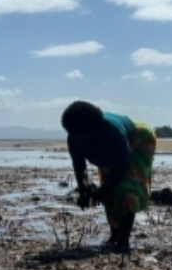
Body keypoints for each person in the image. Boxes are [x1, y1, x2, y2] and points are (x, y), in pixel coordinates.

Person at [62, 101, 156, 253]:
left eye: (82, 137)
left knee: (126, 188)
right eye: (74, 136)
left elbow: (124, 165)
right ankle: (114, 235)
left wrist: (105, 188)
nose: (77, 141)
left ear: (96, 131)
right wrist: (83, 189)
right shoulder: (74, 138)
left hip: (138, 139)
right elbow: (80, 167)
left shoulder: (113, 133)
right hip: (110, 153)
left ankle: (123, 240)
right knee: (109, 194)